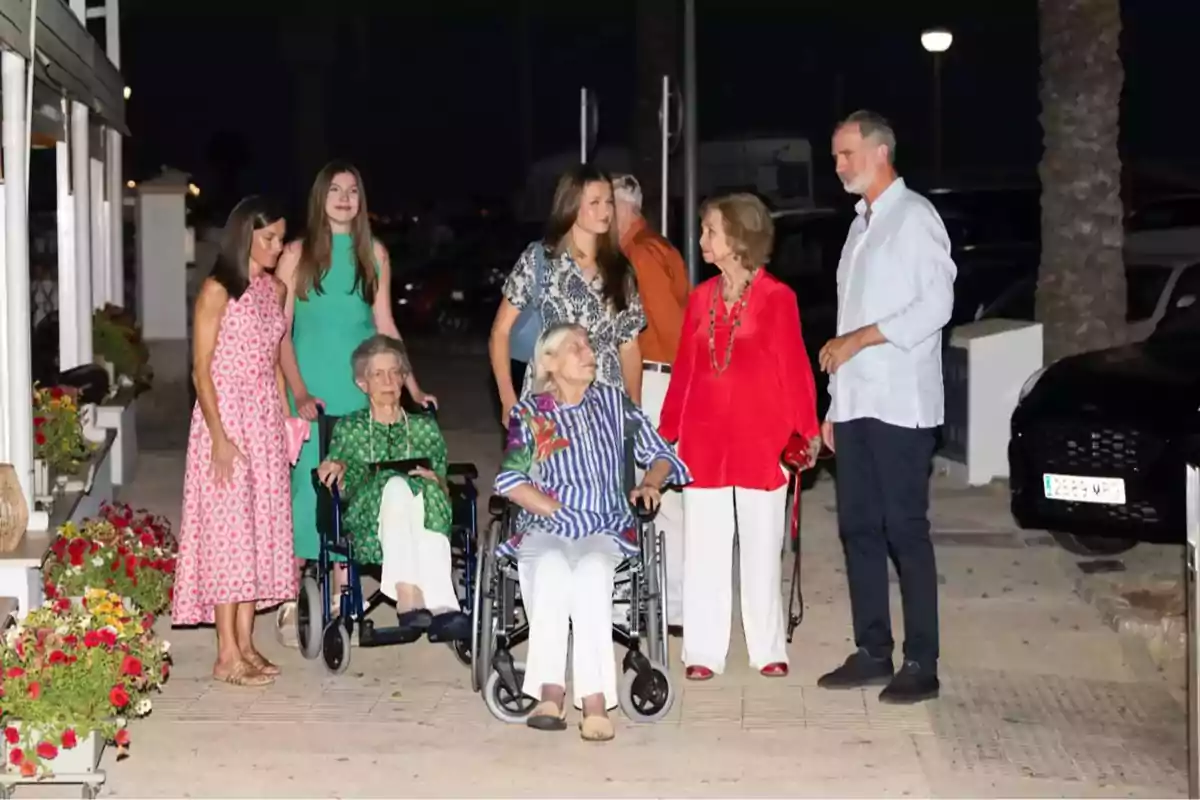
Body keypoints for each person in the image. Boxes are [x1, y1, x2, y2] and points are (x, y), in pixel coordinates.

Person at [817, 110, 955, 704]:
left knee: (905, 530)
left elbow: (936, 307)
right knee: (858, 530)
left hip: (902, 406)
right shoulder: (860, 226)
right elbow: (847, 323)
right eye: (836, 156)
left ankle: (921, 660)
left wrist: (862, 338)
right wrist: (832, 406)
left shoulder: (916, 217)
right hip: (855, 405)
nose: (839, 166)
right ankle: (873, 649)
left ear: (879, 152)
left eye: (846, 154)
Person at [494, 323, 689, 742]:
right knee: (547, 567)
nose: (589, 352)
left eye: (588, 345)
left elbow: (662, 454)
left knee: (592, 573)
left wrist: (651, 483)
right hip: (546, 523)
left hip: (604, 524)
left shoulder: (614, 404)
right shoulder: (530, 413)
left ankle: (596, 700)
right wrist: (552, 508)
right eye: (575, 347)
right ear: (549, 362)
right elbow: (511, 479)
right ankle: (550, 691)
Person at [658, 192, 820, 681]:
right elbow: (684, 372)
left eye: (710, 230)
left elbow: (795, 369)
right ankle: (703, 653)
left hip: (761, 441)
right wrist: (666, 433)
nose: (703, 238)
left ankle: (767, 647)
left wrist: (807, 431)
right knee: (704, 551)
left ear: (738, 238)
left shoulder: (777, 298)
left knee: (761, 549)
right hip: (704, 444)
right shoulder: (701, 298)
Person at [274, 161, 437, 645]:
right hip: (308, 388)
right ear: (320, 197)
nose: (344, 198)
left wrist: (412, 387)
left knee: (354, 482)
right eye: (335, 190)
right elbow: (280, 332)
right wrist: (297, 391)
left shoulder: (375, 255)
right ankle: (290, 597)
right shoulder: (296, 255)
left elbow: (384, 324)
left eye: (352, 190)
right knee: (305, 489)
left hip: (361, 387)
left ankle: (345, 588)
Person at [172, 196, 298, 687]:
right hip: (223, 420)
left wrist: (286, 418)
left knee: (258, 533)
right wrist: (219, 438)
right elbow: (200, 370)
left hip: (264, 420)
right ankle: (226, 654)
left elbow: (273, 359)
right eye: (268, 238)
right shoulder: (216, 290)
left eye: (281, 238)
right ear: (245, 234)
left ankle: (247, 644)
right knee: (227, 537)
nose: (276, 246)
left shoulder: (275, 289)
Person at [315, 335, 469, 641]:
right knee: (395, 484)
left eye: (395, 372)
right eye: (377, 374)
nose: (388, 380)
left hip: (424, 511)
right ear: (362, 383)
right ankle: (407, 592)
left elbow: (442, 476)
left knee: (423, 490)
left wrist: (436, 481)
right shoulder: (351, 428)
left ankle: (442, 604)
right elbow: (341, 478)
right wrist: (335, 470)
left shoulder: (424, 427)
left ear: (403, 377)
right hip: (368, 521)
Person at [489, 164, 647, 427]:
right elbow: (500, 332)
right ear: (571, 206)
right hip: (548, 403)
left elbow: (629, 345)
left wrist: (634, 405)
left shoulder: (620, 269)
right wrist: (508, 399)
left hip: (605, 406)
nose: (605, 211)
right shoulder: (538, 259)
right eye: (594, 202)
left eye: (609, 202)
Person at [612, 173, 690, 633]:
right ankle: (670, 604)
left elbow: (667, 328)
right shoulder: (654, 247)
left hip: (655, 380)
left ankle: (671, 606)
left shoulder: (640, 255)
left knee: (655, 495)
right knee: (662, 499)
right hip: (657, 379)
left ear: (623, 208)